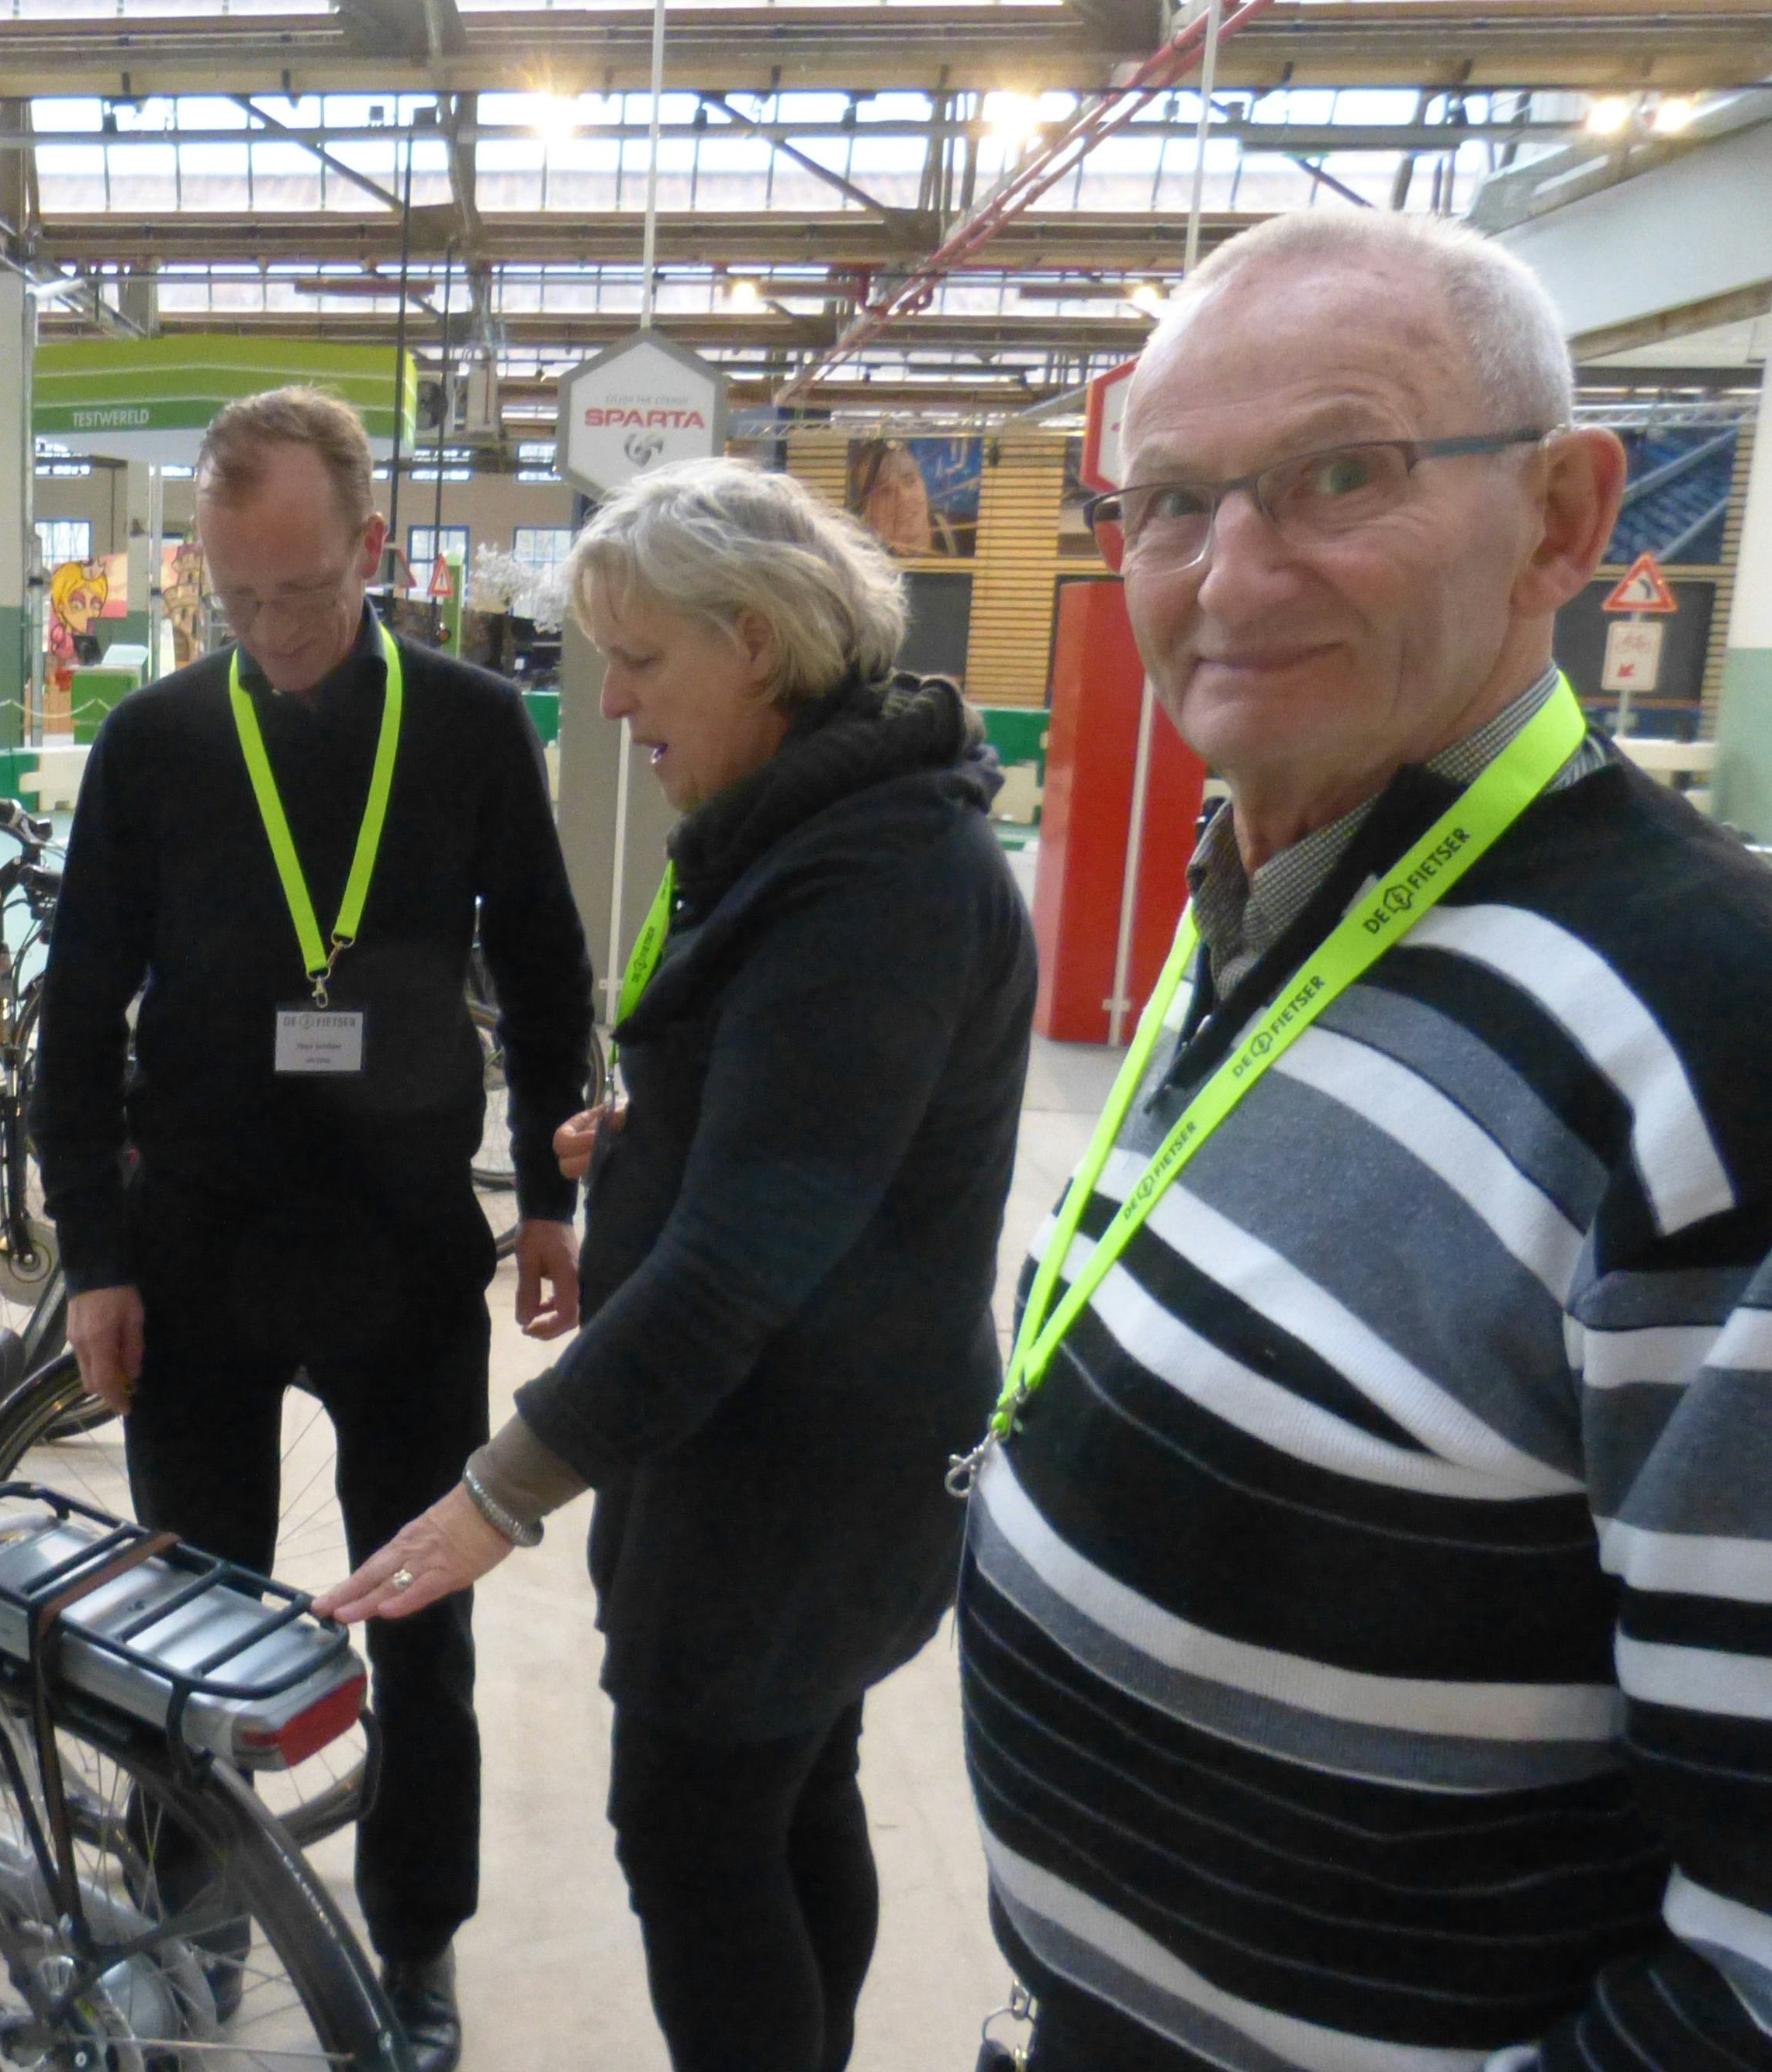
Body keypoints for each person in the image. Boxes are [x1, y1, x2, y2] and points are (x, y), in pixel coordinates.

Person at [952, 209, 1772, 2067]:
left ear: (1562, 517)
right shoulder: (1271, 886)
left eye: (1339, 473)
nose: (1228, 577)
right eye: (1167, 501)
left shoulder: (1712, 1047)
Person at [326, 457, 1039, 2072]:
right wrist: (667, 1125)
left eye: (642, 660)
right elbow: (825, 1119)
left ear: (758, 645)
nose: (617, 700)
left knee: (695, 1828)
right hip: (802, 1450)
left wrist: (496, 1492)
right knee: (796, 1784)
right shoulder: (829, 834)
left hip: (783, 1469)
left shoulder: (871, 883)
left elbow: (735, 1269)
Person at [33, 384, 596, 2072]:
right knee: (184, 1621)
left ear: (370, 547)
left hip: (406, 1256)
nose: (266, 629)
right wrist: (91, 1255)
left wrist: (550, 1199)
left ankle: (413, 1948)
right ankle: (189, 1924)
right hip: (194, 1250)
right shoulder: (155, 744)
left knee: (421, 1629)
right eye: (232, 597)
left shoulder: (473, 725)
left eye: (295, 590)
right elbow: (77, 1014)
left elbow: (552, 969)